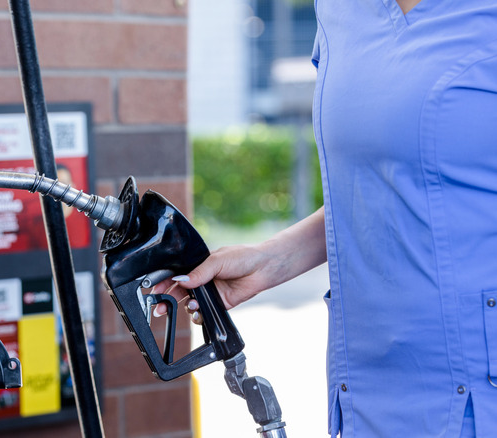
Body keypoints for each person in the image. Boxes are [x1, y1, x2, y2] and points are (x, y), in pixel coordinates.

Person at [155, 1, 497, 436]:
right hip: (367, 385)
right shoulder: (342, 11)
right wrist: (270, 260)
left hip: (478, 388)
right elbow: (380, 184)